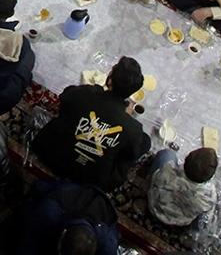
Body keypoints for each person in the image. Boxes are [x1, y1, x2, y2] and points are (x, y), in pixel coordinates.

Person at [33, 56, 150, 190]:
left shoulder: (87, 93)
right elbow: (131, 153)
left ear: (110, 80)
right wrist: (125, 117)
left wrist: (95, 93)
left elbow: (66, 95)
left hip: (52, 154)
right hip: (92, 180)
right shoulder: (132, 128)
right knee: (144, 141)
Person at [147, 147, 218, 231]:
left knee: (167, 153)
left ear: (185, 161)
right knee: (205, 217)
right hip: (180, 221)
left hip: (155, 207)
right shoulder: (209, 196)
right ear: (210, 177)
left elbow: (155, 178)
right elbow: (207, 216)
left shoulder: (167, 171)